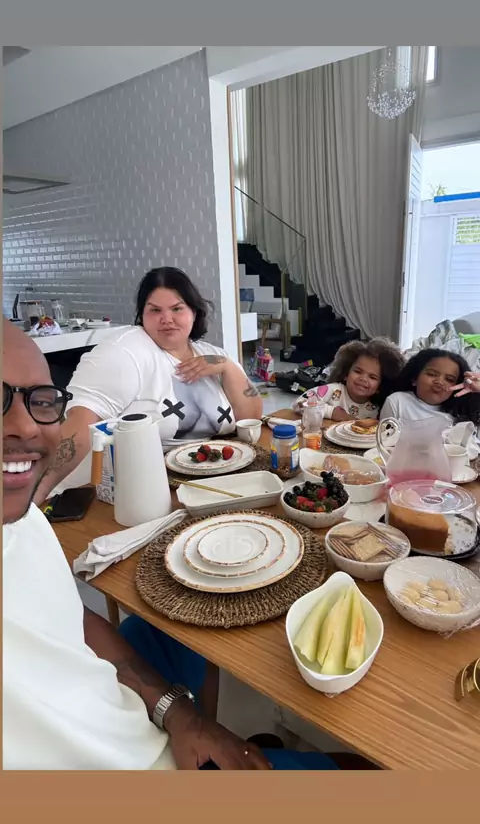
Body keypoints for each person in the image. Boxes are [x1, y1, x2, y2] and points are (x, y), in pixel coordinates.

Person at [3, 319, 342, 771]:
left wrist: (178, 714)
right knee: (350, 768)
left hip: (113, 701)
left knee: (192, 617)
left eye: (41, 401)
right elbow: (84, 418)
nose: (26, 426)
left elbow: (68, 615)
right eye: (154, 309)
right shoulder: (125, 356)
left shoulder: (23, 517)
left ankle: (222, 724)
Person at [34, 267, 263, 503]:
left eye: (177, 308)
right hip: (133, 491)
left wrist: (227, 367)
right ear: (142, 315)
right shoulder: (124, 351)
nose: (167, 319)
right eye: (155, 310)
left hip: (206, 483)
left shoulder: (211, 354)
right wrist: (35, 494)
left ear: (194, 313)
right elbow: (80, 424)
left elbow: (251, 418)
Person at [292, 338, 405, 421]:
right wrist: (332, 412)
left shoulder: (381, 408)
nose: (363, 379)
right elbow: (299, 403)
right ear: (346, 373)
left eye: (372, 377)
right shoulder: (333, 390)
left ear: (381, 386)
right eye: (358, 371)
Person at [380, 349, 480, 427]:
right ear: (414, 378)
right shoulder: (398, 402)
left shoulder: (460, 412)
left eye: (449, 379)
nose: (439, 382)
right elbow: (384, 441)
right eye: (432, 374)